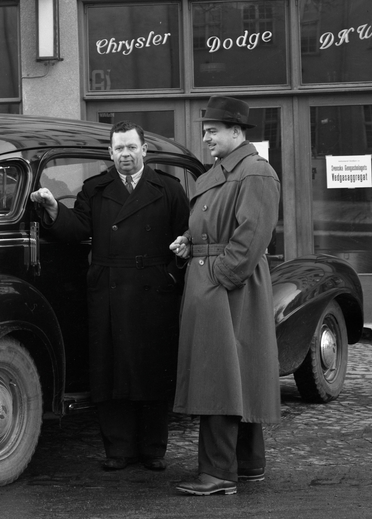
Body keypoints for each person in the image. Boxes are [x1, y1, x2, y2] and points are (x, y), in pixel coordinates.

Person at [31, 121, 189, 472]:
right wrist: (54, 208)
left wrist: (171, 275)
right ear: (110, 153)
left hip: (154, 289)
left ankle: (153, 449)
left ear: (144, 150)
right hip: (110, 289)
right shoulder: (95, 189)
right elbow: (77, 229)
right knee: (111, 369)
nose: (125, 155)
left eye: (131, 147)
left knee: (152, 369)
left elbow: (185, 235)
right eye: (119, 149)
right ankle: (118, 449)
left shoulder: (169, 189)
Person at [170, 95, 281, 496]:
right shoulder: (220, 172)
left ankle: (218, 472)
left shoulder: (256, 172)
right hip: (215, 281)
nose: (206, 138)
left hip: (229, 287)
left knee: (219, 374)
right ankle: (247, 464)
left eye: (213, 131)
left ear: (237, 131)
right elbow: (210, 225)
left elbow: (252, 235)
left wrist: (219, 275)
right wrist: (189, 241)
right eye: (204, 131)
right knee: (236, 372)